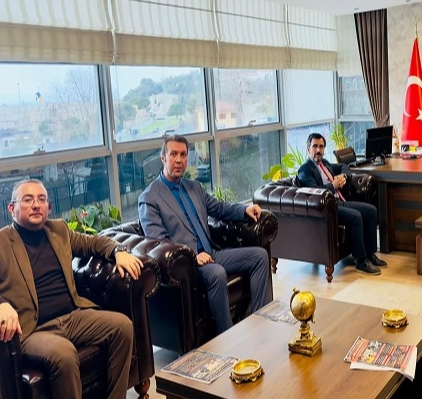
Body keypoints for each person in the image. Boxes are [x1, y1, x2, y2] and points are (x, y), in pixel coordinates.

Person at [0, 179, 143, 399]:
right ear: (12, 208)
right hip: (34, 329)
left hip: (73, 316)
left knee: (123, 327)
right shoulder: (2, 242)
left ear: (48, 207)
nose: (36, 205)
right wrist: (2, 304)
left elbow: (94, 242)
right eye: (27, 200)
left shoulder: (58, 230)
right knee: (64, 353)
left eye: (41, 199)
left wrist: (119, 251)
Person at [138, 134, 272, 334]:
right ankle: (228, 337)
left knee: (259, 256)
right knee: (216, 273)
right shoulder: (149, 198)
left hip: (212, 253)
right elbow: (158, 242)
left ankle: (261, 322)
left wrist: (244, 209)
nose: (179, 160)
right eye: (173, 154)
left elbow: (218, 208)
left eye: (183, 155)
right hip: (187, 265)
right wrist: (192, 256)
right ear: (163, 158)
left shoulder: (194, 187)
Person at [298, 133, 387, 275]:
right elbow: (314, 192)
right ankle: (361, 261)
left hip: (339, 201)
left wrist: (343, 176)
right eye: (315, 147)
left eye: (321, 147)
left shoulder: (325, 163)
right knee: (356, 216)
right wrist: (333, 186)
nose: (318, 150)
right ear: (308, 149)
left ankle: (370, 254)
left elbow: (344, 166)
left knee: (371, 211)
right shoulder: (305, 170)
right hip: (327, 208)